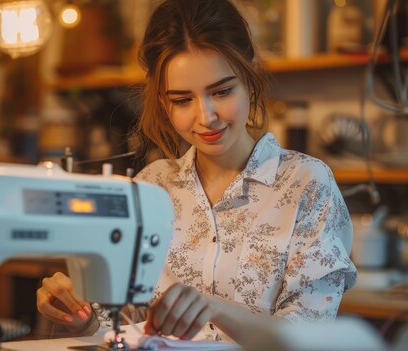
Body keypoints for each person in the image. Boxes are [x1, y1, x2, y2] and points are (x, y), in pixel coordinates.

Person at [37, 0, 357, 344]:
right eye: (182, 100)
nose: (206, 117)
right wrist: (80, 317)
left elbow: (310, 339)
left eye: (221, 91)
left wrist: (213, 308)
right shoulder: (151, 187)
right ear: (163, 102)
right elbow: (124, 324)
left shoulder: (307, 185)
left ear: (249, 78)